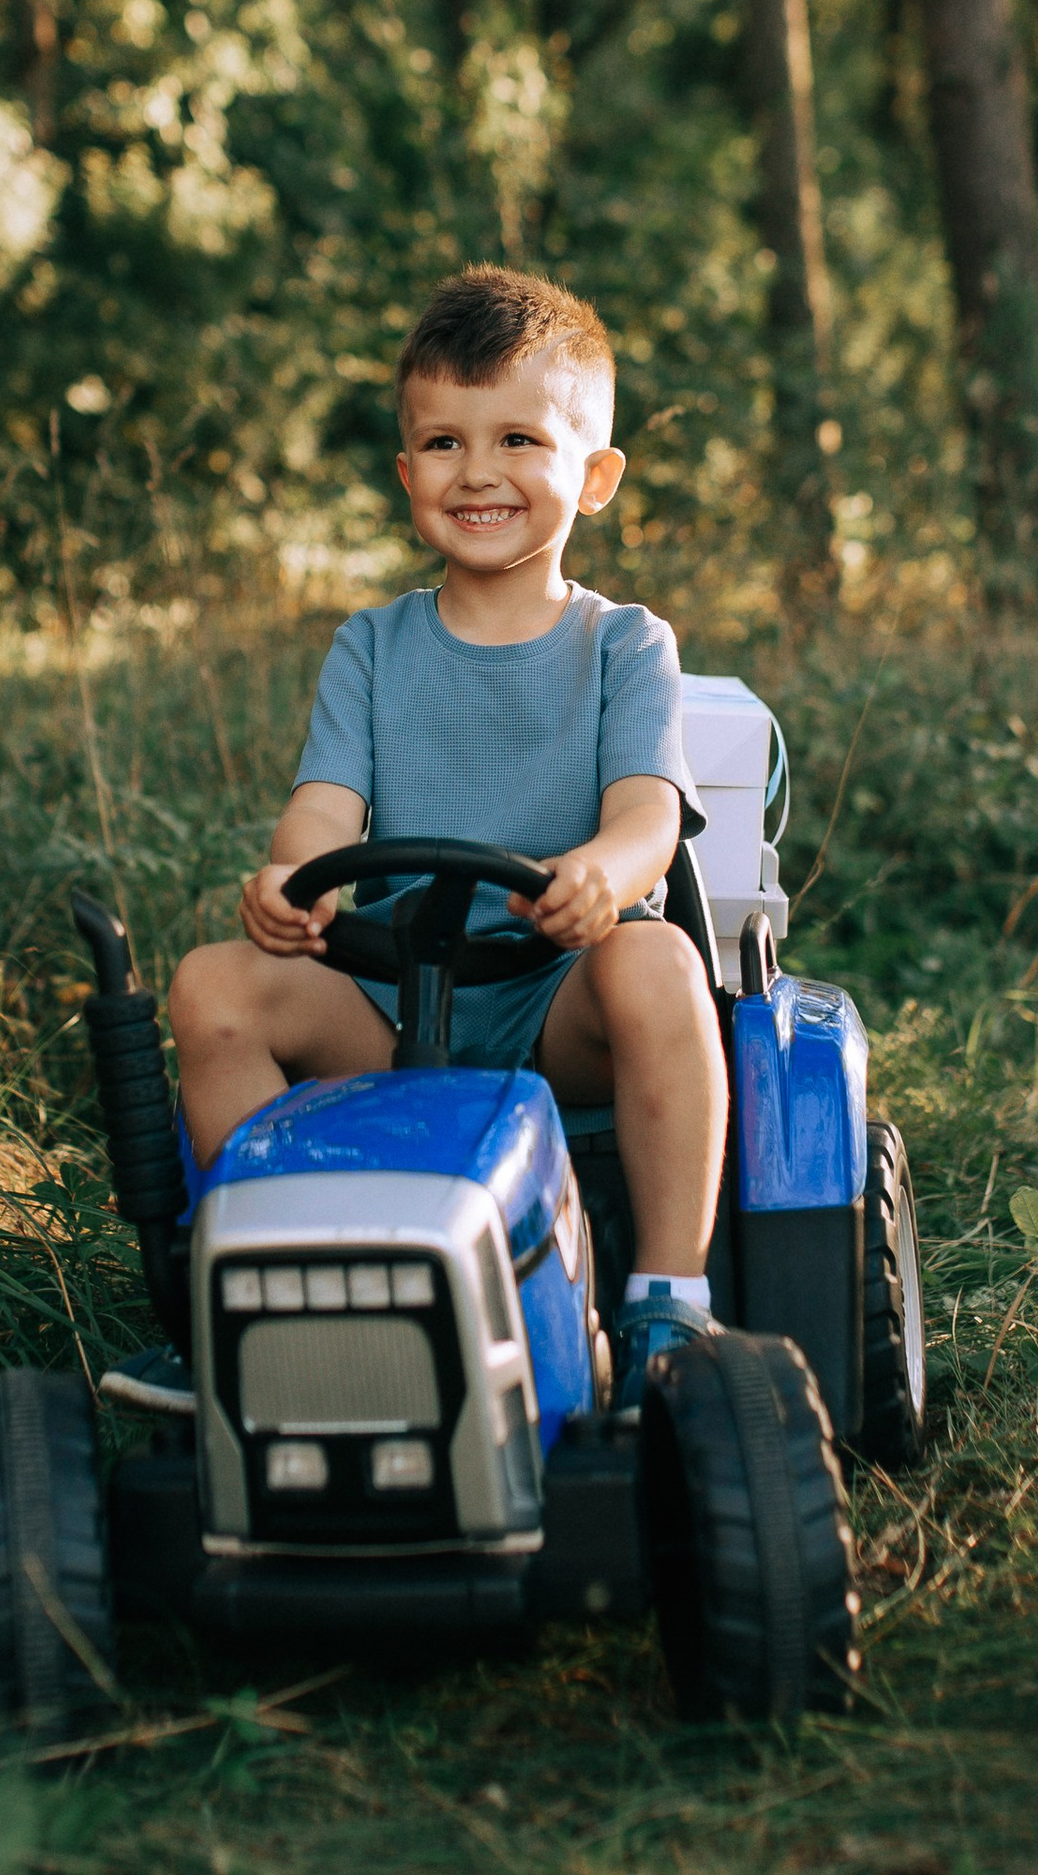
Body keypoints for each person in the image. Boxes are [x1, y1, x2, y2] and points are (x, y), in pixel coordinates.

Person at [102, 263, 727, 1419]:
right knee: (212, 987)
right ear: (407, 474)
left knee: (658, 961)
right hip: (393, 1010)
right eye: (443, 443)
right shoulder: (375, 648)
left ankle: (669, 1294)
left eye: (519, 441)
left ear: (592, 479)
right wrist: (291, 879)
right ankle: (254, 1289)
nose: (478, 472)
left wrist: (600, 876)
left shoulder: (625, 646)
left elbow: (646, 814)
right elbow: (327, 808)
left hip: (555, 1000)